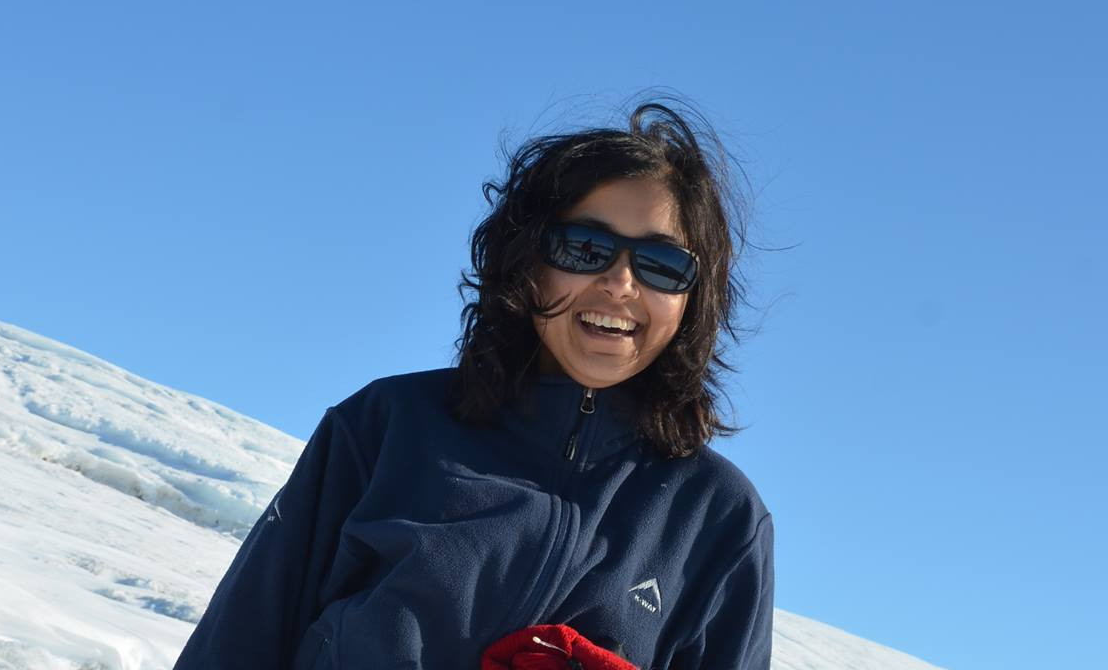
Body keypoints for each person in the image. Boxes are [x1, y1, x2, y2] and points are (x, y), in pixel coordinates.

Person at [172, 101, 774, 670]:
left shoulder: (720, 519)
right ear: (526, 260)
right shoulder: (389, 425)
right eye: (585, 248)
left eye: (662, 266)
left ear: (694, 300)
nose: (620, 283)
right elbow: (235, 643)